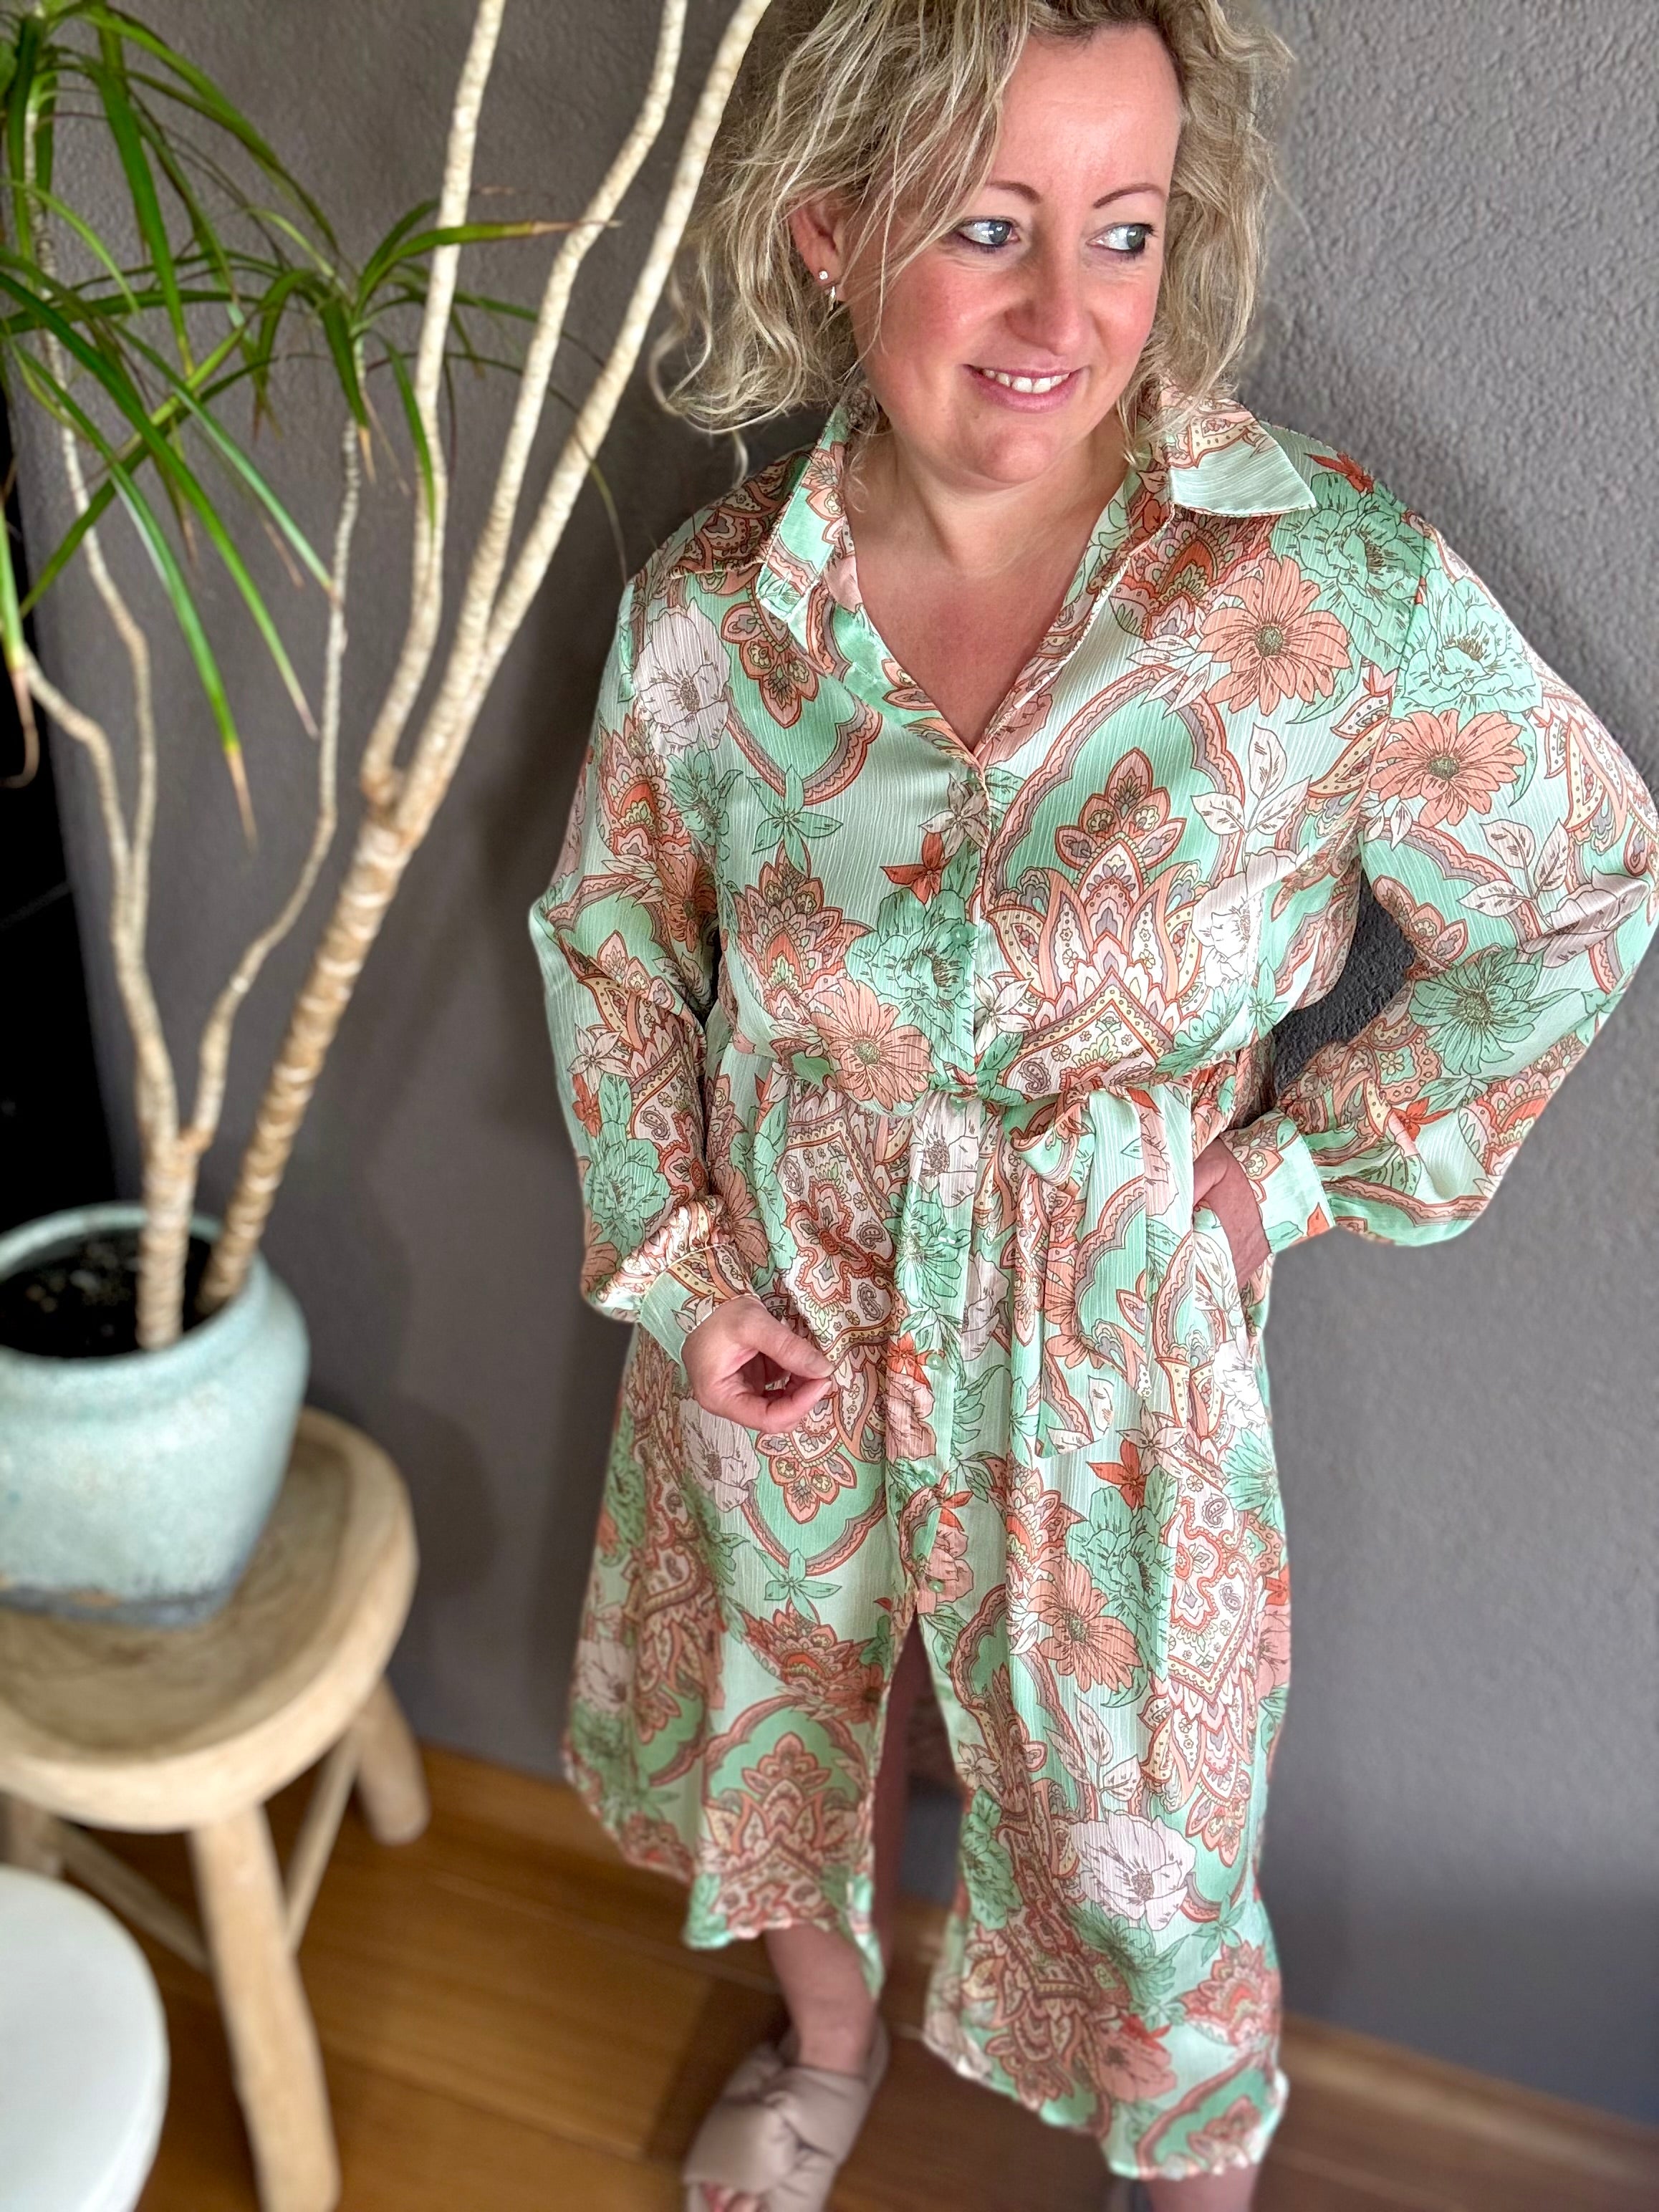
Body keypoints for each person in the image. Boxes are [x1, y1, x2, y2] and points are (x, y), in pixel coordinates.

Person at [529, 3, 1658, 2206]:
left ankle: (1187, 2172)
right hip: (786, 1303)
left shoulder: (1308, 592)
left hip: (1109, 1341)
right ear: (831, 229)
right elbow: (610, 950)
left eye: (1122, 231)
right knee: (784, 1712)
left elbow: (1576, 888)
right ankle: (826, 2042)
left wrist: (1279, 1185)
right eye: (988, 226)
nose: (1065, 313)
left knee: (1142, 1828)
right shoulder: (713, 622)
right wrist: (680, 1268)